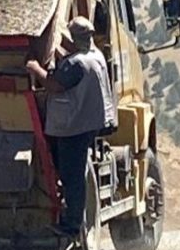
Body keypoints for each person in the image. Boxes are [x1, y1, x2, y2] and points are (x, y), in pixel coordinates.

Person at [26, 17, 116, 237]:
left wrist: (35, 68)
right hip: (87, 125)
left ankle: (72, 225)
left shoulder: (75, 64)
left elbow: (54, 85)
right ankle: (71, 218)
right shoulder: (96, 57)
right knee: (72, 174)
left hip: (72, 127)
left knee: (72, 177)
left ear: (73, 39)